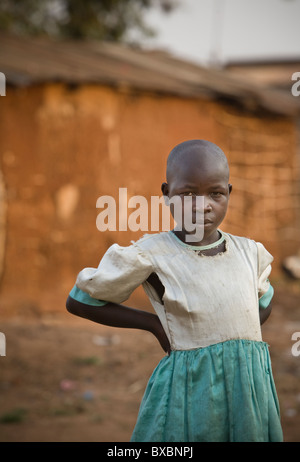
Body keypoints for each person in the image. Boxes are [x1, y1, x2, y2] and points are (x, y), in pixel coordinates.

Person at [66, 139, 283, 442]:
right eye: (188, 193)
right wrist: (155, 325)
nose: (202, 204)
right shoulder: (153, 254)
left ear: (229, 194)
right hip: (189, 392)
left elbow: (264, 300)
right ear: (166, 195)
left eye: (215, 193)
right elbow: (82, 301)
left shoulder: (250, 252)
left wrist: (233, 344)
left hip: (247, 390)